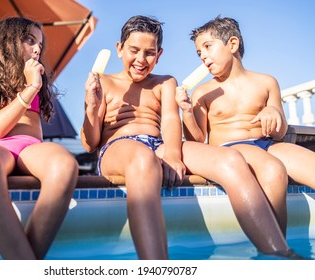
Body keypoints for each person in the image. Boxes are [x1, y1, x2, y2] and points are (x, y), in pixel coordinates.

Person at [81, 15, 300, 260]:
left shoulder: (165, 83)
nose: (141, 60)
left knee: (231, 159)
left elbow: (170, 121)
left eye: (149, 53)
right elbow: (90, 143)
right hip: (117, 147)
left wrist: (174, 155)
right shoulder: (103, 82)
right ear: (119, 49)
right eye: (134, 50)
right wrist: (91, 107)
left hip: (159, 145)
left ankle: (278, 252)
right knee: (144, 160)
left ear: (159, 54)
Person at [177, 15, 315, 239]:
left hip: (268, 143)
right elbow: (196, 141)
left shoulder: (266, 82)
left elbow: (280, 131)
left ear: (232, 44)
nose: (203, 56)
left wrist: (274, 112)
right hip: (230, 148)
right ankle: (275, 246)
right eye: (199, 52)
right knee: (273, 170)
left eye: (207, 47)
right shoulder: (203, 92)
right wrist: (187, 111)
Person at [0, 17, 78, 260]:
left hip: (30, 148)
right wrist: (30, 88)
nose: (37, 49)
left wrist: (33, 85)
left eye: (40, 45)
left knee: (64, 164)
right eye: (30, 41)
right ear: (6, 43)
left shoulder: (34, 81)